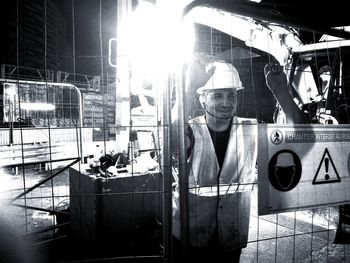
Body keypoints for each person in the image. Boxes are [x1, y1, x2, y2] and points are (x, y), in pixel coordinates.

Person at [172, 55, 305, 262]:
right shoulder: (190, 130)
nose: (226, 102)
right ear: (202, 98)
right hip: (189, 237)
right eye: (217, 96)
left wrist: (281, 92)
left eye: (231, 95)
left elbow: (298, 135)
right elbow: (170, 138)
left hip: (230, 236)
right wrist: (187, 87)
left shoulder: (250, 130)